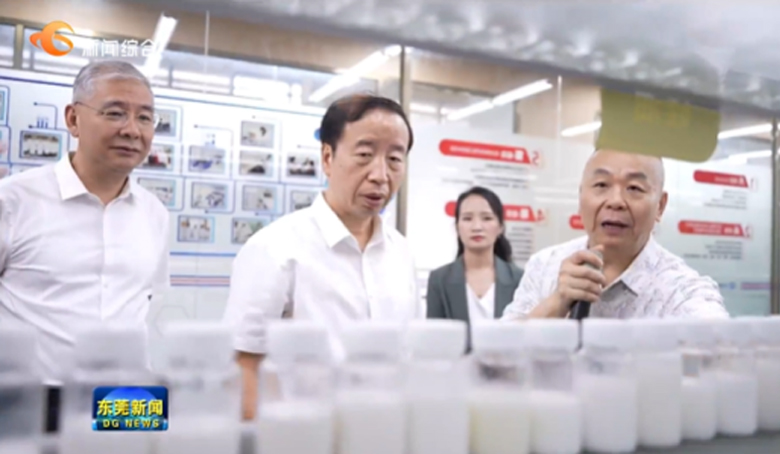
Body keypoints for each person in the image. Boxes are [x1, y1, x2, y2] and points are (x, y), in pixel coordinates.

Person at [223, 94, 420, 420]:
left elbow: (408, 354)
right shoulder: (274, 248)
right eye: (365, 155)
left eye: (395, 159)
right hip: (303, 435)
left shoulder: (401, 253)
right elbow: (244, 365)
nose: (380, 175)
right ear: (327, 157)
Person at [0, 60, 171, 432]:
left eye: (145, 118)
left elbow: (147, 304)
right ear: (73, 119)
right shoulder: (13, 201)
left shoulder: (154, 213)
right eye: (115, 113)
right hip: (28, 400)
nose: (132, 130)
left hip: (128, 399)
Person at [502, 149, 728, 320]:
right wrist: (557, 302)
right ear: (580, 197)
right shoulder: (544, 265)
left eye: (634, 188)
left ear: (660, 206)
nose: (616, 201)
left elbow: (721, 350)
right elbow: (498, 354)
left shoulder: (683, 291)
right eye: (602, 185)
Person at [426, 186, 523, 345]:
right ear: (457, 226)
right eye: (467, 218)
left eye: (487, 218)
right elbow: (434, 340)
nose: (477, 227)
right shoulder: (439, 279)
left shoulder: (519, 279)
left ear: (500, 227)